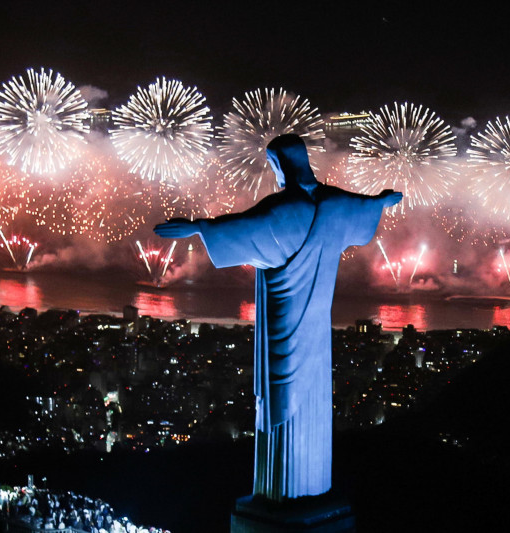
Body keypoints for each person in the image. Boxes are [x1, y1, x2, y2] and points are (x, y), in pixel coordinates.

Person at [155, 133, 402, 500]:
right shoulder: (335, 204)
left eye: (273, 164)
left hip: (283, 323)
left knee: (281, 402)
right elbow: (364, 207)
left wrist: (198, 227)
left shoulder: (285, 211)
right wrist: (382, 201)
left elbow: (243, 229)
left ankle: (283, 494)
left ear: (279, 164)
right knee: (313, 402)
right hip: (319, 332)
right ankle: (312, 487)